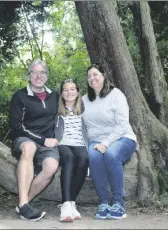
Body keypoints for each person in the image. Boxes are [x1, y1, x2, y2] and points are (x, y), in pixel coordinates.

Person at [82, 63, 138, 220]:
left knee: (111, 155)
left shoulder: (116, 95)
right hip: (96, 140)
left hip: (123, 137)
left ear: (103, 75)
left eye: (95, 74)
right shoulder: (84, 100)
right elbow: (82, 127)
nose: (92, 78)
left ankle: (118, 204)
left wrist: (106, 143)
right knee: (93, 156)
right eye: (89, 76)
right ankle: (104, 203)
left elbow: (122, 125)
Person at [9, 59, 60, 221]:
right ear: (29, 75)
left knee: (51, 166)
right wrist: (43, 140)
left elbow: (66, 117)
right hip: (24, 139)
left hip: (48, 143)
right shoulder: (20, 96)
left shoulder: (55, 96)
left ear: (47, 76)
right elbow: (17, 126)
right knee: (29, 147)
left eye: (42, 72)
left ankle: (23, 205)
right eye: (34, 72)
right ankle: (24, 204)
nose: (39, 75)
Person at [54, 78, 89, 222]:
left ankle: (71, 203)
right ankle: (66, 204)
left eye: (72, 89)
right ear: (61, 93)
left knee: (84, 159)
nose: (69, 92)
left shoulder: (85, 107)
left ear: (78, 91)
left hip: (80, 143)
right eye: (65, 90)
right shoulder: (56, 109)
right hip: (62, 143)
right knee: (69, 158)